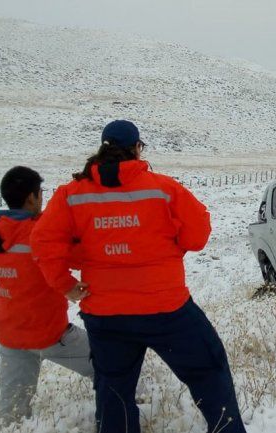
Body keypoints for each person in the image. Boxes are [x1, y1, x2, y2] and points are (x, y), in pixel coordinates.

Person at [30, 120, 246, 433]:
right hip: (167, 310)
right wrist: (170, 244)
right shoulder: (163, 188)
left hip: (105, 313)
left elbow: (43, 242)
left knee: (113, 390)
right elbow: (197, 236)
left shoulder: (71, 195)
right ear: (137, 149)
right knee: (208, 370)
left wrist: (65, 285)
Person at [0, 166, 93, 425]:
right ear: (32, 198)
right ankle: (140, 404)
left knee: (12, 411)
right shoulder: (41, 232)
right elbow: (79, 256)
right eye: (40, 194)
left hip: (10, 331)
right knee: (110, 363)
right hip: (49, 333)